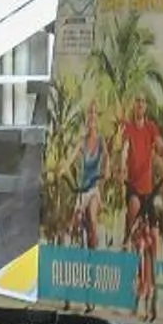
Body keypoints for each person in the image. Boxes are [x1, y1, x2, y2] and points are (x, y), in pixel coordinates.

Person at [120, 96, 163, 322]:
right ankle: (128, 235)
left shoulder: (150, 128)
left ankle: (151, 291)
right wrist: (121, 169)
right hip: (133, 187)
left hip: (149, 189)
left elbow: (161, 147)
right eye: (137, 101)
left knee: (153, 234)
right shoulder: (129, 129)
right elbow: (124, 151)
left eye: (143, 102)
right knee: (133, 206)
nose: (139, 104)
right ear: (134, 106)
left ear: (146, 107)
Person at [71, 101, 104, 249]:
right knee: (74, 222)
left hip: (93, 189)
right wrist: (60, 170)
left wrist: (107, 171)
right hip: (82, 189)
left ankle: (94, 250)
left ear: (97, 118)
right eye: (89, 112)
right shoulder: (82, 141)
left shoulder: (101, 141)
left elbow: (107, 159)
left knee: (92, 216)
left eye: (94, 113)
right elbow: (70, 158)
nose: (92, 116)